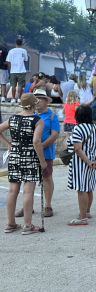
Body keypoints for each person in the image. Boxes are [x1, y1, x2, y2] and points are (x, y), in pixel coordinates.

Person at [2, 93, 47, 234]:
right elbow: (36, 142)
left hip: (15, 157)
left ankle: (10, 223)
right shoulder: (37, 120)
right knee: (28, 191)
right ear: (34, 104)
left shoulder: (13, 119)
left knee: (12, 191)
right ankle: (27, 225)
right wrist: (42, 161)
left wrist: (8, 144)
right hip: (31, 158)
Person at [67, 105, 96, 225]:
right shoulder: (95, 129)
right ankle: (87, 212)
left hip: (81, 163)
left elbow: (77, 149)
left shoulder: (78, 129)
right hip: (94, 163)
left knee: (81, 189)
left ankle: (82, 218)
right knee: (89, 188)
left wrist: (87, 161)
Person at [28, 88, 60, 219]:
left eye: (39, 100)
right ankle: (27, 206)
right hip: (30, 153)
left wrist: (40, 146)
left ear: (45, 101)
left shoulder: (52, 116)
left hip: (46, 153)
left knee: (47, 178)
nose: (36, 103)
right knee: (29, 180)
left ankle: (47, 205)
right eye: (34, 100)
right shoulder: (29, 114)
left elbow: (54, 135)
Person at [6, 38, 28, 103]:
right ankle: (18, 98)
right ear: (21, 44)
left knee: (13, 85)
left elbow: (8, 61)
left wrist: (10, 69)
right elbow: (25, 60)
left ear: (15, 43)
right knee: (20, 85)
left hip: (13, 71)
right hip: (21, 70)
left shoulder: (11, 51)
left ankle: (13, 98)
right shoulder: (23, 51)